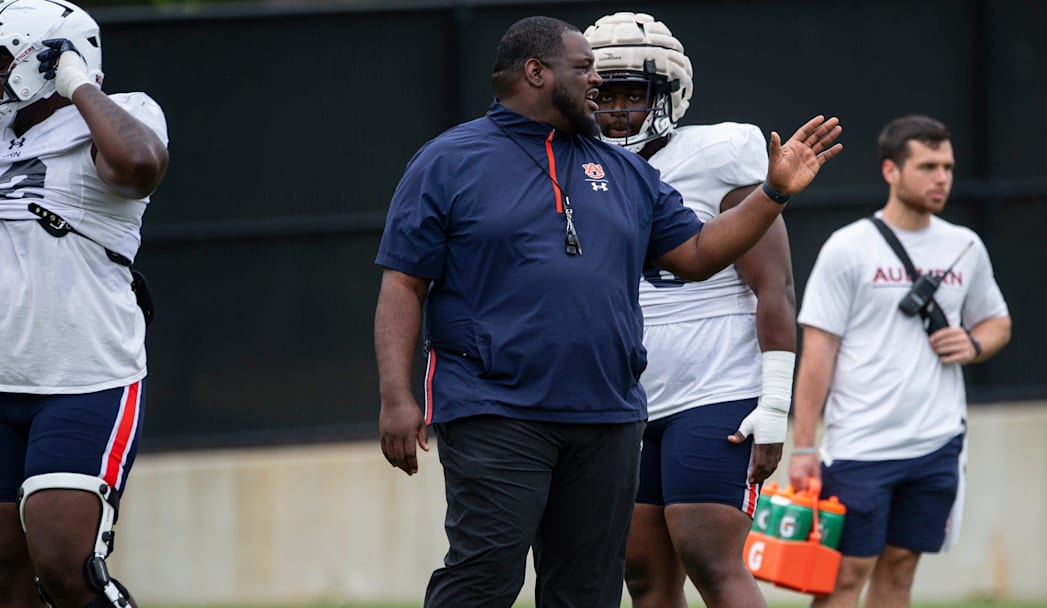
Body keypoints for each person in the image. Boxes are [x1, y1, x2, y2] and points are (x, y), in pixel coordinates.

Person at [375, 14, 840, 608]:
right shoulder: (449, 160)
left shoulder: (623, 169)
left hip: (608, 415)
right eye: (584, 68)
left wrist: (772, 193)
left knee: (589, 589)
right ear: (536, 73)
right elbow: (403, 284)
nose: (597, 82)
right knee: (485, 574)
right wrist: (396, 396)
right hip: (497, 406)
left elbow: (696, 255)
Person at [583, 12, 792, 608]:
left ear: (668, 93)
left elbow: (774, 288)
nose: (619, 108)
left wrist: (774, 404)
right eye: (607, 92)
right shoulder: (574, 165)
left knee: (709, 553)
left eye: (634, 92)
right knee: (643, 572)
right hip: (626, 394)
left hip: (715, 384)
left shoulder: (719, 153)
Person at [788, 115, 1010, 608]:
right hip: (861, 442)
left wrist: (973, 345)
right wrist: (803, 449)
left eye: (948, 167)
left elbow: (997, 322)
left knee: (901, 572)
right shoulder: (848, 247)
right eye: (928, 166)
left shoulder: (965, 246)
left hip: (936, 442)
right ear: (891, 170)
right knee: (844, 575)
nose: (942, 178)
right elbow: (818, 355)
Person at [0, 0, 169, 606]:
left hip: (84, 377)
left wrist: (76, 83)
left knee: (65, 566)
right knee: (6, 576)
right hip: (3, 377)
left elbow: (138, 166)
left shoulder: (128, 115)